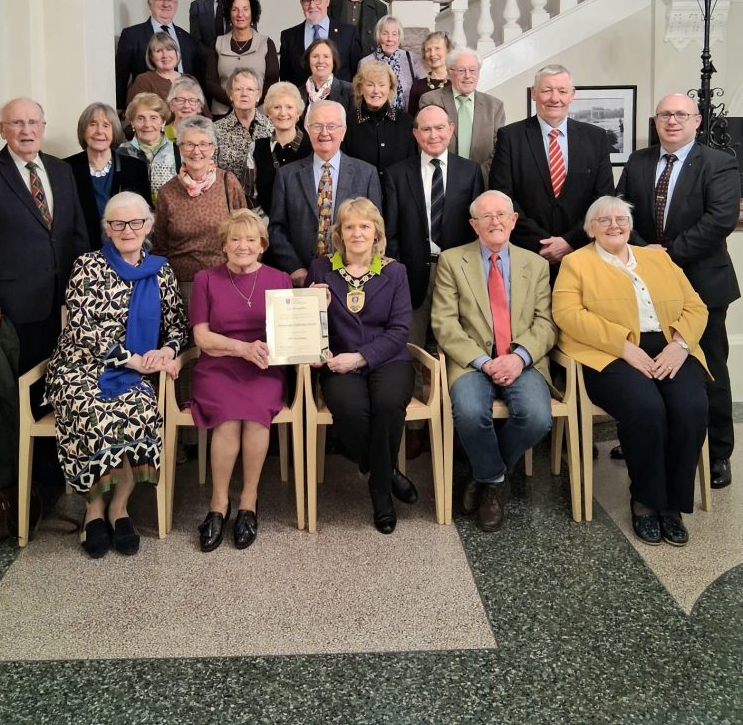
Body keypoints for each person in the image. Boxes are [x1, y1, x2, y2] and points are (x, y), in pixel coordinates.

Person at [553, 196, 709, 547]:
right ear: (590, 228)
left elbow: (695, 305)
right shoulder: (576, 263)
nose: (614, 225)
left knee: (691, 409)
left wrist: (679, 345)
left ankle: (672, 507)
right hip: (609, 352)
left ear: (630, 224)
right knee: (645, 409)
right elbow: (567, 314)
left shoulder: (658, 258)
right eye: (603, 220)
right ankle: (645, 500)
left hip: (671, 346)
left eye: (621, 218)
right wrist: (623, 346)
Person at [46, 192, 186, 558]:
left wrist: (167, 351)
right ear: (107, 229)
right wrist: (131, 360)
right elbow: (81, 328)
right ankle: (93, 510)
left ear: (149, 225)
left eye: (135, 222)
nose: (128, 230)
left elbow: (177, 326)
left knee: (138, 409)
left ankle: (120, 506)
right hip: (80, 366)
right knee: (91, 411)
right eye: (118, 223)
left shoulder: (160, 270)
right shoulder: (87, 266)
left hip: (136, 371)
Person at [617, 92, 740, 490]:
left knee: (709, 368)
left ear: (697, 120)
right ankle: (649, 436)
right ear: (655, 122)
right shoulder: (638, 161)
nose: (672, 121)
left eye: (681, 115)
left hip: (702, 283)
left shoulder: (719, 163)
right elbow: (620, 210)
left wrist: (667, 256)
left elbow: (720, 219)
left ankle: (718, 451)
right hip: (644, 284)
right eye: (665, 115)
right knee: (650, 357)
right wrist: (641, 249)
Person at [431, 191, 555, 533]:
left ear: (514, 220)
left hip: (523, 360)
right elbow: (444, 323)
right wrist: (485, 362)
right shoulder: (453, 261)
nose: (495, 221)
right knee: (470, 413)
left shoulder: (537, 264)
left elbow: (545, 323)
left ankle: (483, 473)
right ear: (474, 225)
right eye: (486, 216)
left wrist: (519, 358)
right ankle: (495, 481)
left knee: (536, 418)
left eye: (502, 214)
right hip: (472, 360)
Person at [306, 198, 416, 534]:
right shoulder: (320, 269)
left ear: (376, 233)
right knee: (351, 411)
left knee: (387, 404)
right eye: (349, 227)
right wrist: (312, 304)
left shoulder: (395, 271)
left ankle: (380, 492)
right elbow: (310, 329)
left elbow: (400, 330)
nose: (357, 233)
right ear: (338, 233)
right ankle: (387, 471)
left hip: (388, 359)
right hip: (338, 361)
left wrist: (362, 357)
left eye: (364, 227)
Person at [0, 97, 88, 375]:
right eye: (16, 123)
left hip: (63, 300)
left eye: (32, 122)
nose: (26, 130)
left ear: (43, 127)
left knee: (61, 380)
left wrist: (83, 291)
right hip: (12, 305)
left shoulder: (62, 170)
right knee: (18, 384)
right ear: (1, 130)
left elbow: (77, 234)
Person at [190, 210, 293, 551]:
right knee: (228, 419)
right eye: (235, 239)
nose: (242, 246)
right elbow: (202, 337)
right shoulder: (206, 279)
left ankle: (249, 501)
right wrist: (241, 348)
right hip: (218, 365)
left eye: (251, 239)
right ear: (223, 245)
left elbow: (291, 333)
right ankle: (219, 504)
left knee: (255, 416)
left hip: (263, 367)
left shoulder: (280, 279)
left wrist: (316, 305)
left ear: (262, 245)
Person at [488, 64, 613, 274]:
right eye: (547, 90)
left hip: (582, 254)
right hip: (527, 255)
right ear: (534, 93)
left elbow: (603, 199)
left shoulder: (596, 138)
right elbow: (503, 198)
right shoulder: (510, 137)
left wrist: (569, 241)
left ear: (572, 95)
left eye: (562, 91)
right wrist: (542, 243)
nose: (555, 98)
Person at [384, 104, 484, 345]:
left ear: (451, 130)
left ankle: (449, 385)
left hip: (458, 273)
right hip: (412, 273)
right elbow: (390, 230)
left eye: (439, 128)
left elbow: (477, 228)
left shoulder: (470, 171)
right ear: (416, 134)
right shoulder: (396, 174)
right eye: (426, 129)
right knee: (411, 345)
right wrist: (399, 267)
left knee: (458, 343)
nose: (433, 135)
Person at [268, 101, 383, 286]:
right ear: (307, 129)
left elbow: (376, 229)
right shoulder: (287, 175)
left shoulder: (367, 173)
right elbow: (276, 228)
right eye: (317, 126)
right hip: (302, 279)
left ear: (343, 131)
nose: (324, 133)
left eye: (331, 126)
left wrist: (357, 270)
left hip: (353, 280)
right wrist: (295, 268)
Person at [152, 116, 247, 308]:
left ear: (213, 148)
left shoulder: (228, 183)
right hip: (183, 286)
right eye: (189, 144)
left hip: (226, 280)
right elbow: (160, 247)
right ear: (179, 148)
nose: (197, 151)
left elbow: (247, 231)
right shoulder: (167, 192)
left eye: (203, 144)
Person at [64, 102, 151, 250]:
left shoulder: (135, 167)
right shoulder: (66, 169)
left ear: (114, 131)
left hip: (125, 253)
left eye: (106, 125)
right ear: (83, 130)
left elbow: (145, 216)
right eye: (92, 124)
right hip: (81, 255)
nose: (99, 131)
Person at [420, 47, 505, 184]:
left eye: (472, 70)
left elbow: (499, 149)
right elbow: (425, 142)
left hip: (482, 181)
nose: (467, 76)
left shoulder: (495, 106)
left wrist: (477, 175)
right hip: (440, 180)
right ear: (449, 73)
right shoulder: (430, 100)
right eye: (461, 71)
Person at [115, 0, 201, 113]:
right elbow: (121, 75)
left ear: (176, 5)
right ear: (150, 4)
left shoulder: (187, 39)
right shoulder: (131, 35)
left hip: (185, 111)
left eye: (170, 0)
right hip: (150, 110)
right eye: (160, 0)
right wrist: (119, 107)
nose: (166, 4)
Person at [205, 0, 279, 116]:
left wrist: (251, 103)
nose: (240, 14)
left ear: (252, 12)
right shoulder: (217, 43)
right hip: (223, 114)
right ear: (229, 13)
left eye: (245, 9)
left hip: (259, 114)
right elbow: (211, 82)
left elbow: (272, 80)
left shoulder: (266, 43)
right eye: (235, 9)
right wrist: (234, 102)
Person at [343, 61, 416, 182]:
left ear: (390, 88)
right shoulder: (348, 123)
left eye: (382, 85)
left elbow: (411, 166)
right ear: (360, 88)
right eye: (370, 85)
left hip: (397, 195)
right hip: (360, 196)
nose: (376, 91)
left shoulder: (405, 122)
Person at [279, 0, 362, 87]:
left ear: (327, 1)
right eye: (306, 1)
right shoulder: (288, 37)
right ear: (301, 4)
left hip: (339, 102)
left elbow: (356, 76)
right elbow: (286, 81)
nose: (312, 5)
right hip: (302, 101)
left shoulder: (349, 33)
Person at [252, 81, 312, 219]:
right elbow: (250, 195)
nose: (283, 113)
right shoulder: (256, 148)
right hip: (265, 228)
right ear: (268, 113)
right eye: (277, 107)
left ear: (298, 112)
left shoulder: (312, 148)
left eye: (289, 107)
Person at [213, 67, 274, 200]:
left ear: (258, 96)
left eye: (250, 89)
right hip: (227, 202)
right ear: (230, 94)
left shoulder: (272, 128)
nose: (244, 94)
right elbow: (211, 173)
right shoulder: (215, 130)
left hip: (265, 205)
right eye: (238, 89)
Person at [120, 92, 181, 202]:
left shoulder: (179, 152)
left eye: (153, 118)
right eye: (140, 118)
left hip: (169, 217)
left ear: (163, 122)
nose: (147, 124)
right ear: (132, 122)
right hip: (133, 217)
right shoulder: (120, 153)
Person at [359, 15, 426, 113]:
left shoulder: (411, 58)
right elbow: (361, 96)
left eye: (394, 34)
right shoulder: (365, 63)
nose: (390, 39)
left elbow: (424, 87)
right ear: (378, 36)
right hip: (377, 118)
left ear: (399, 37)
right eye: (385, 34)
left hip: (407, 119)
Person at [126, 31, 181, 106]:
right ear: (151, 57)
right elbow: (135, 112)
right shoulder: (143, 81)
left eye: (169, 49)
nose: (165, 55)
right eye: (158, 51)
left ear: (176, 53)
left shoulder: (190, 79)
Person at [299, 37, 353, 114]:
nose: (320, 61)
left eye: (326, 56)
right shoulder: (298, 94)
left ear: (333, 61)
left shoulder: (349, 91)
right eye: (315, 56)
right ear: (308, 61)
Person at [407, 31, 453, 118]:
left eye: (437, 48)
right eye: (428, 50)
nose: (432, 54)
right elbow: (411, 121)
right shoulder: (417, 86)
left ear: (448, 51)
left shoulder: (456, 83)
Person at [164, 76, 212, 143]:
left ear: (199, 107)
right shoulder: (161, 134)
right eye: (180, 100)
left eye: (192, 100)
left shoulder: (210, 134)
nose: (186, 106)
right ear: (171, 105)